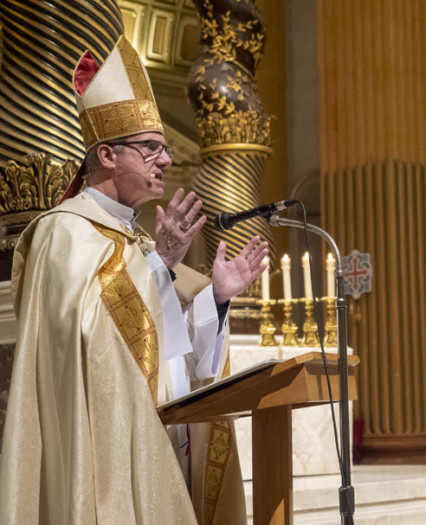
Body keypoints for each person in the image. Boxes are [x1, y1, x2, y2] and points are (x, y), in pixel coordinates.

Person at [0, 36, 267, 524]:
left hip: (164, 441)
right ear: (107, 155)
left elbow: (173, 348)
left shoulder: (137, 241)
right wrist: (160, 266)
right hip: (108, 451)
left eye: (164, 149)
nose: (165, 161)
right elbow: (87, 343)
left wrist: (217, 299)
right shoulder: (63, 233)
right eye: (150, 149)